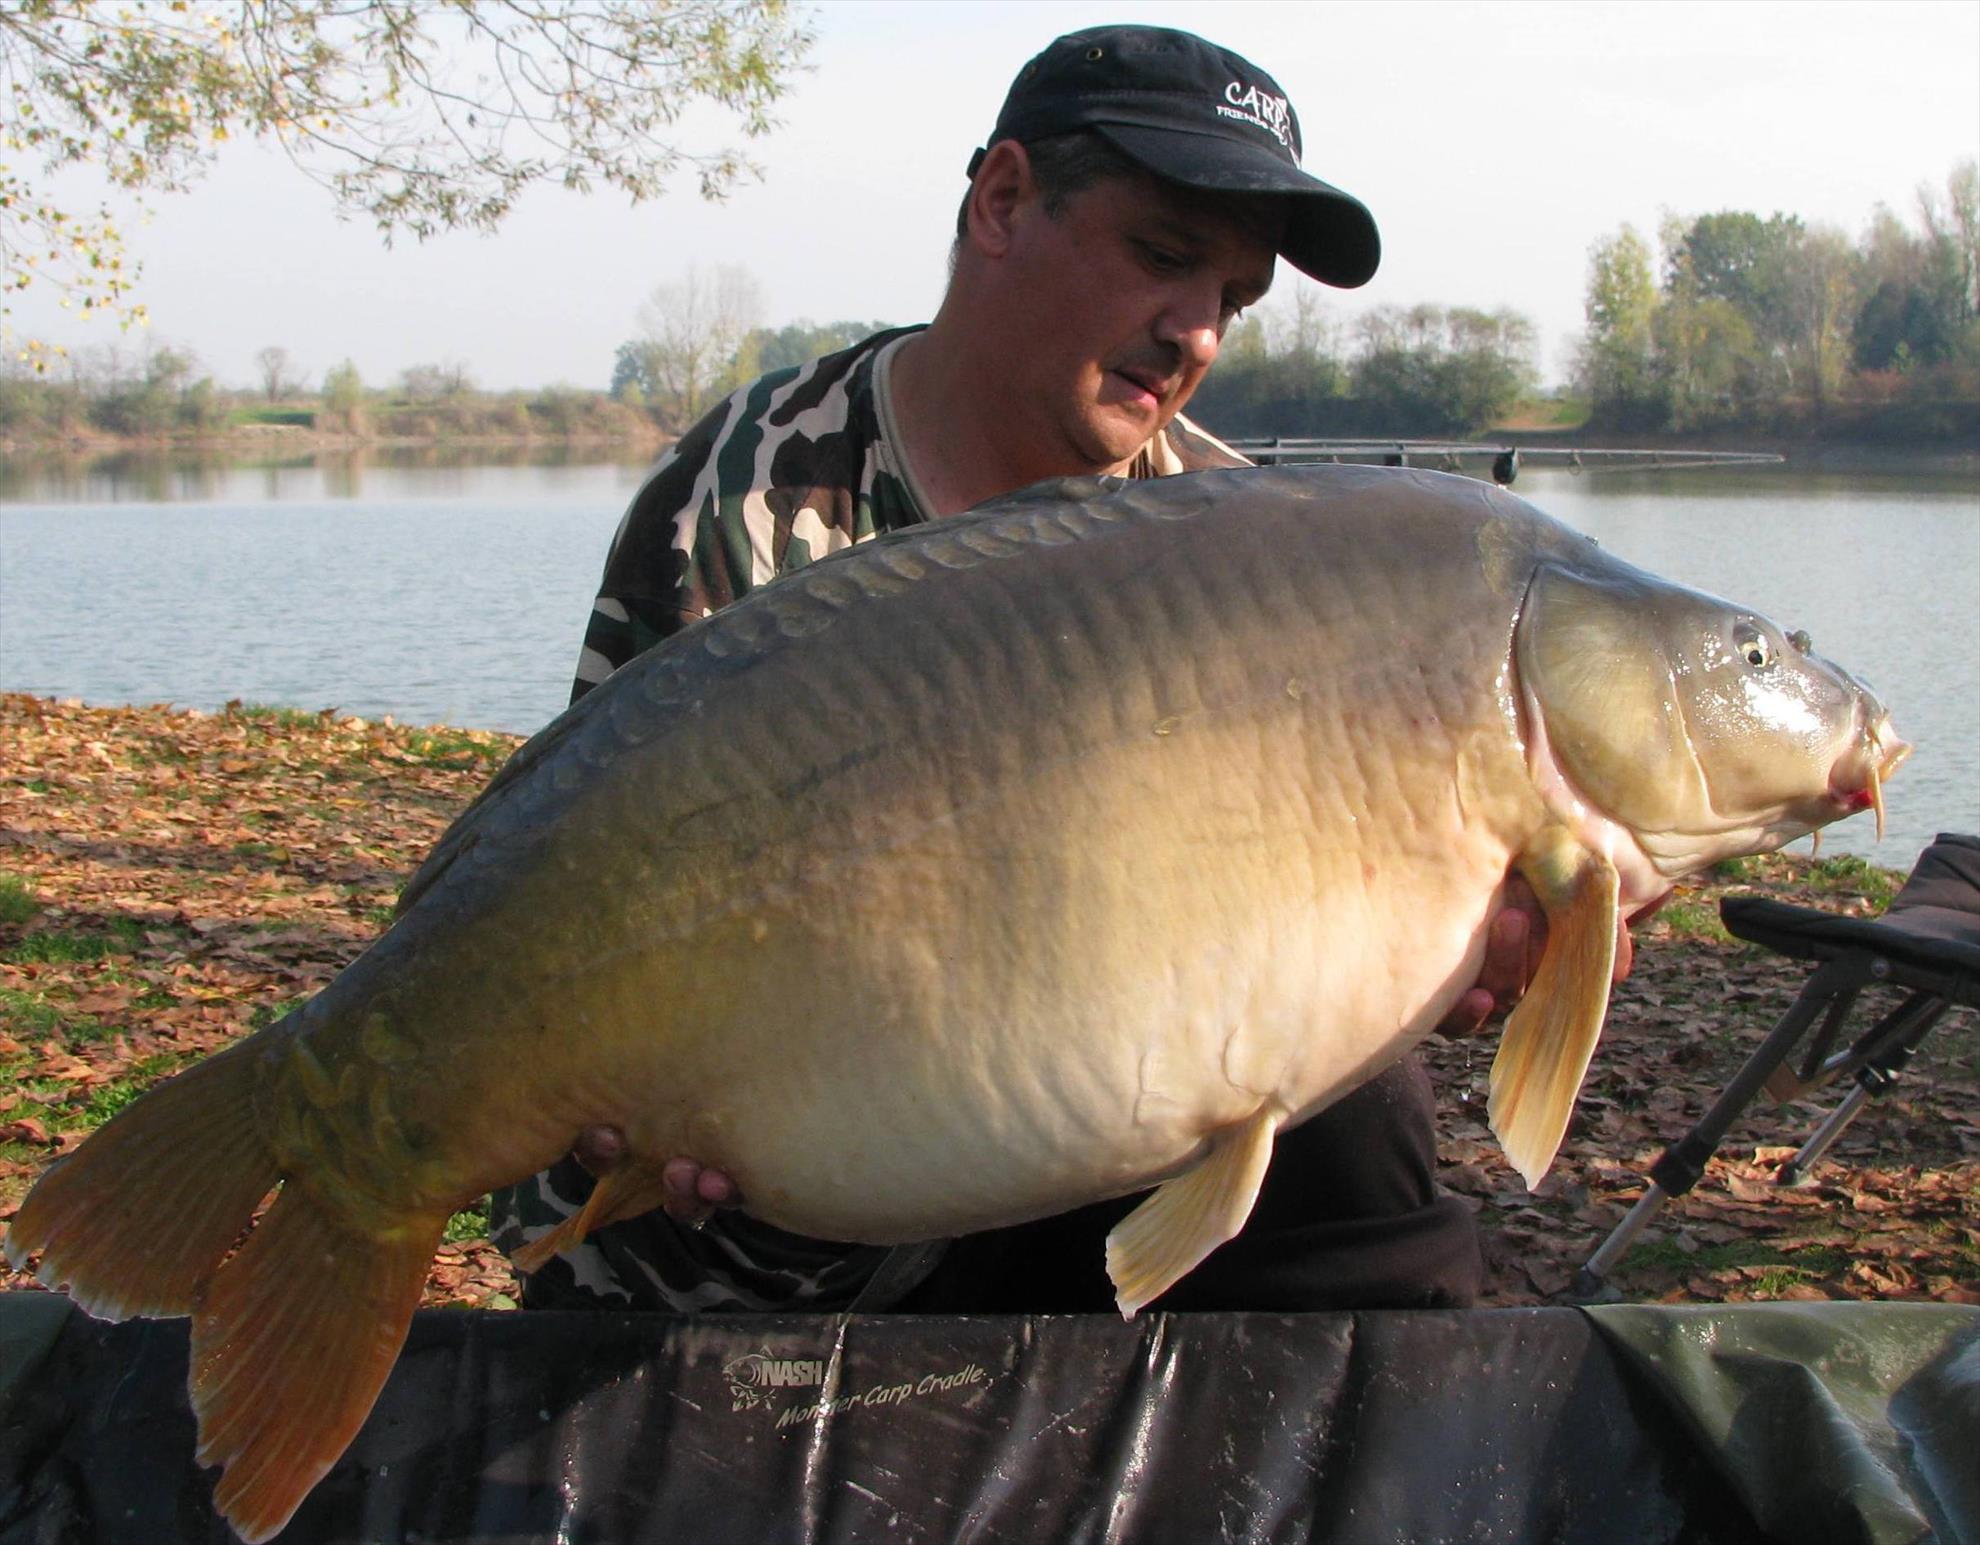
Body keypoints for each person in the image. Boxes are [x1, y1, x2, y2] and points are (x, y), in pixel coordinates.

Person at [490, 24, 1547, 1315]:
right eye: (1164, 257)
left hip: (1098, 1123)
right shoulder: (760, 491)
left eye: (1233, 293)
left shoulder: (1241, 542)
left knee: (1361, 1112)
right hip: (787, 1185)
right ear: (1000, 203)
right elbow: (582, 879)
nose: (1196, 331)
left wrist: (1428, 961)